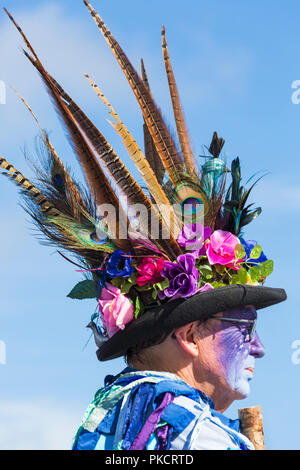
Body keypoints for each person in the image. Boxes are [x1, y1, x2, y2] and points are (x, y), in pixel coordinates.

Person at [3, 2, 286, 451]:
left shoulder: (107, 418)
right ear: (190, 335)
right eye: (245, 328)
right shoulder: (200, 436)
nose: (259, 348)